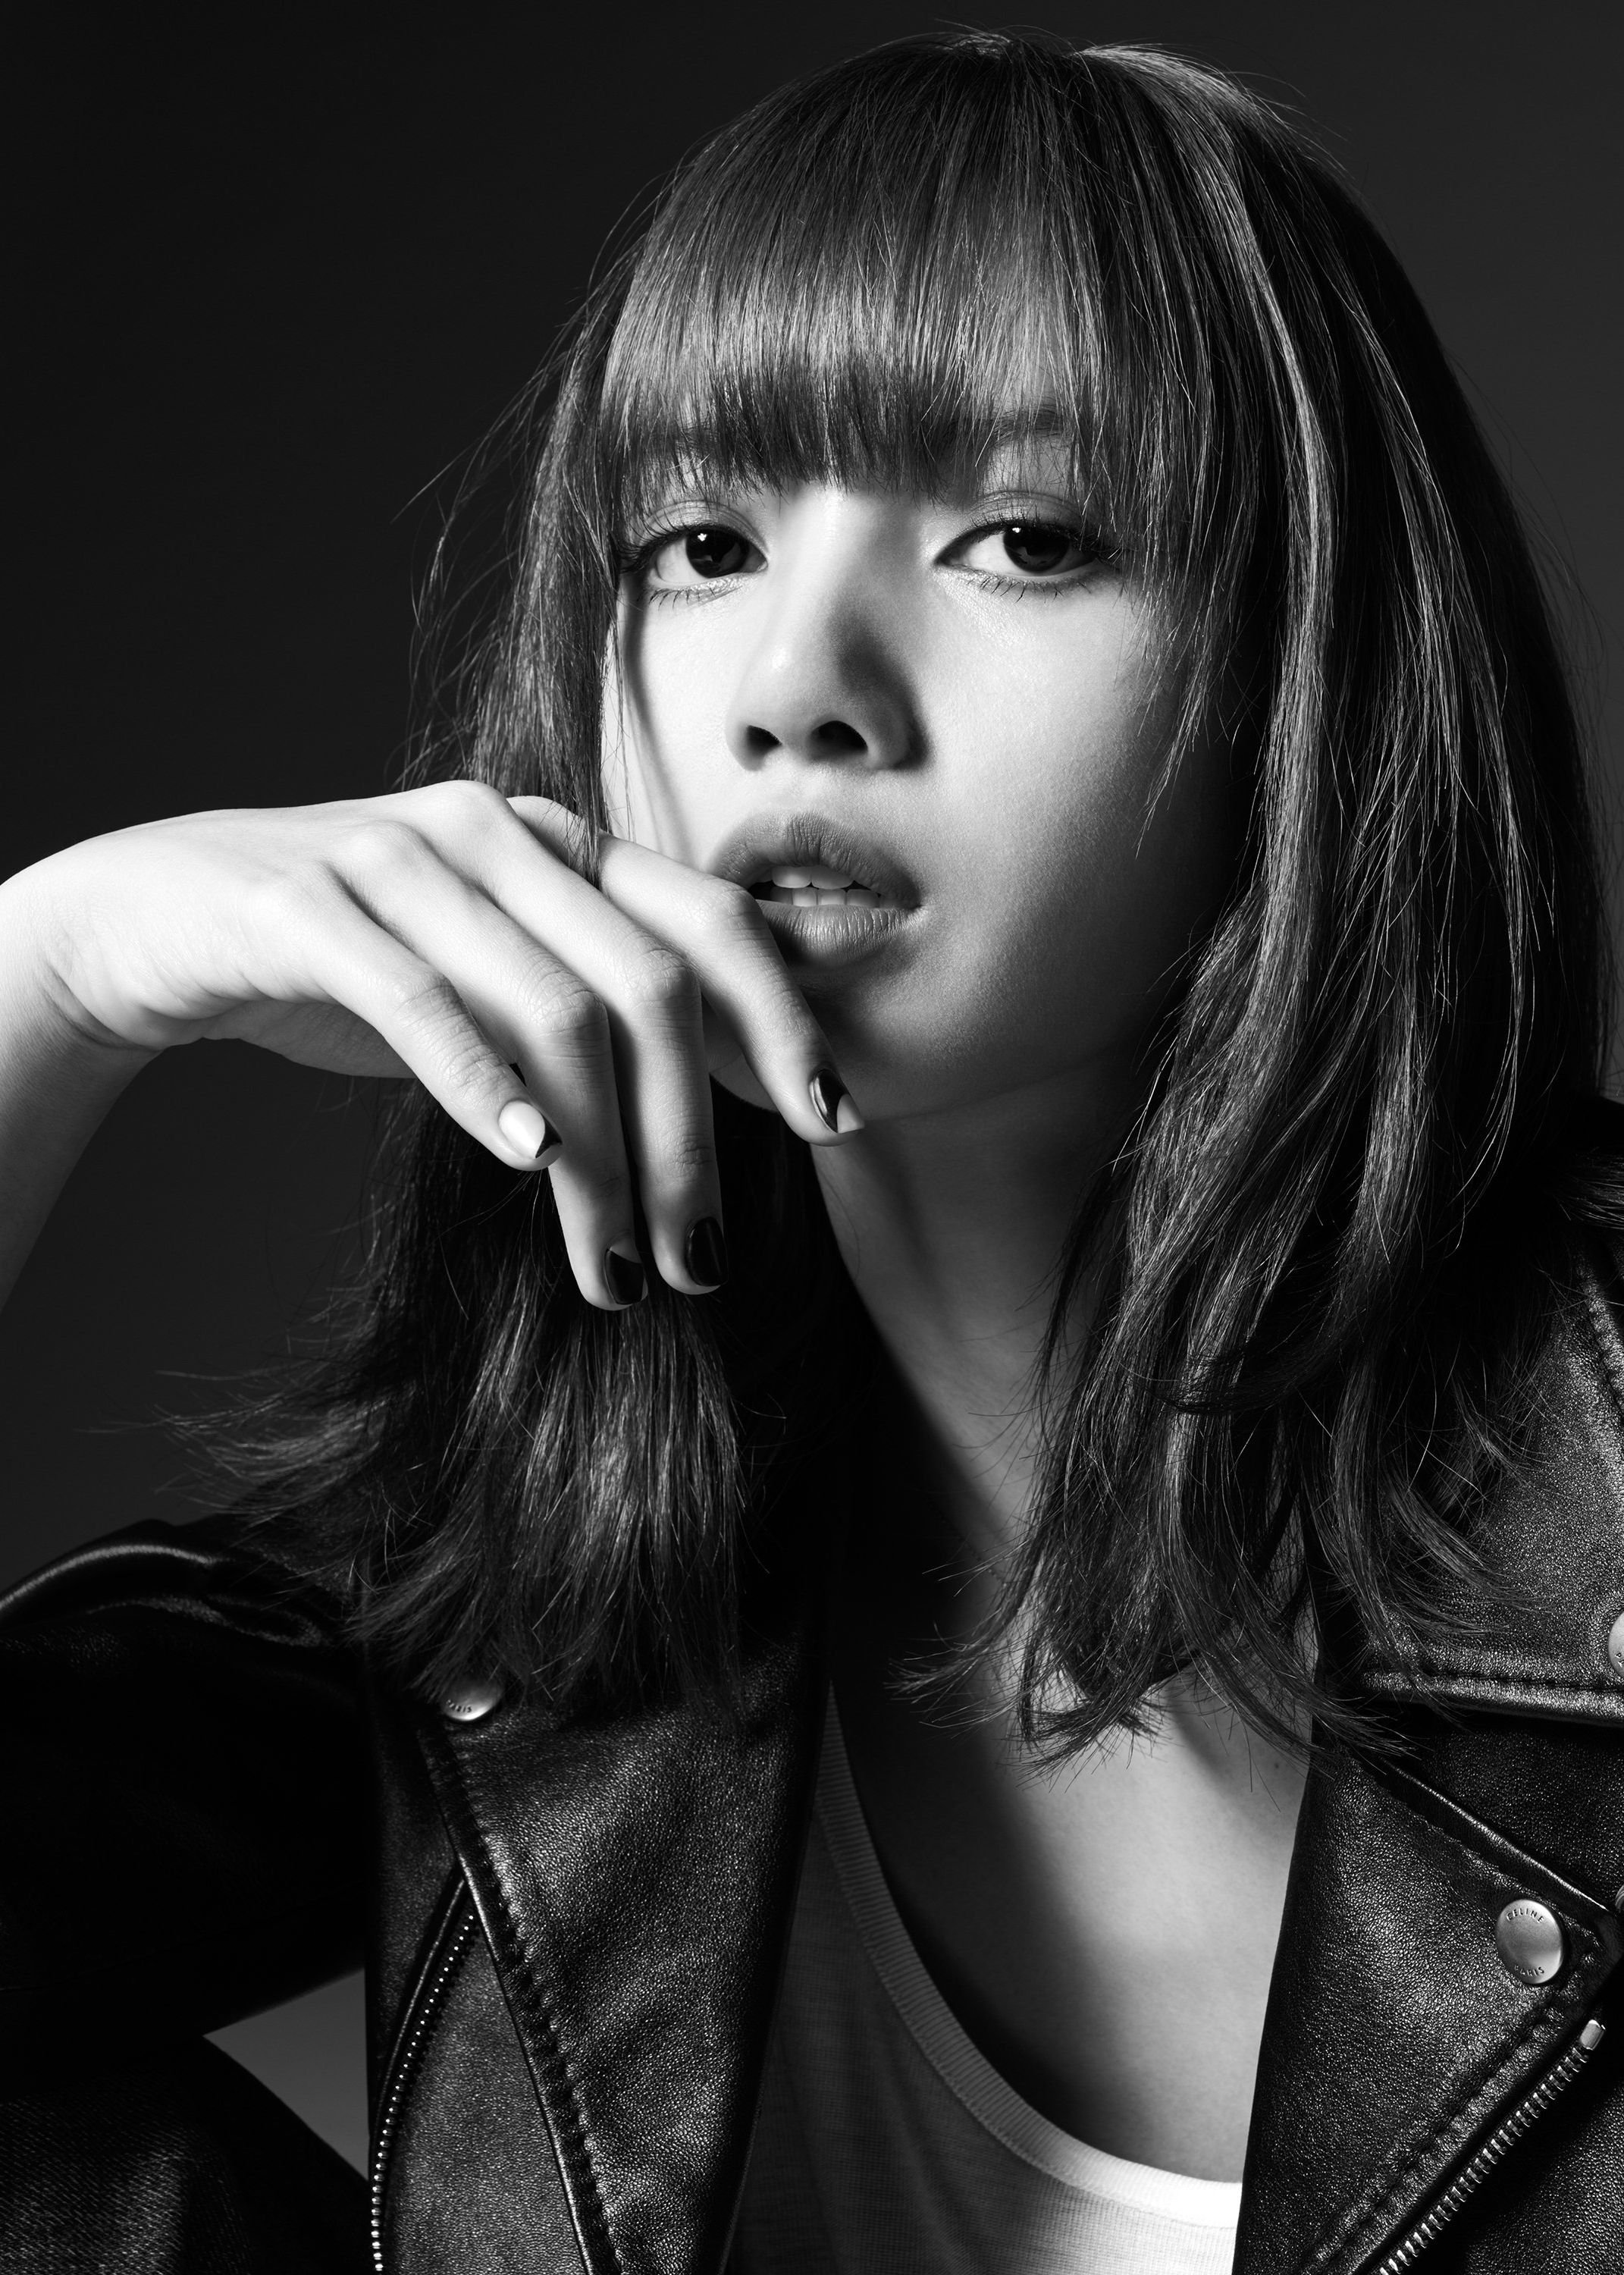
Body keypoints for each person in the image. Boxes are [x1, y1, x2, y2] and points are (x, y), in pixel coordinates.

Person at [1, 29, 1619, 2275]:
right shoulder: (518, 1593)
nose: (794, 680)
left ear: (1308, 668)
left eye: (1025, 539)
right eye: (701, 543)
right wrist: (52, 976)